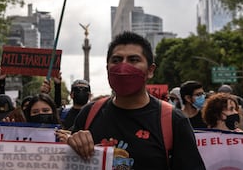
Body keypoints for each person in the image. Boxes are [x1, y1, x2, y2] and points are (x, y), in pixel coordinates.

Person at [67, 31, 205, 169]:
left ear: (150, 70)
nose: (123, 67)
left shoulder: (173, 121)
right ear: (107, 68)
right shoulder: (89, 114)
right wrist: (72, 144)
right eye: (116, 60)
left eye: (133, 60)